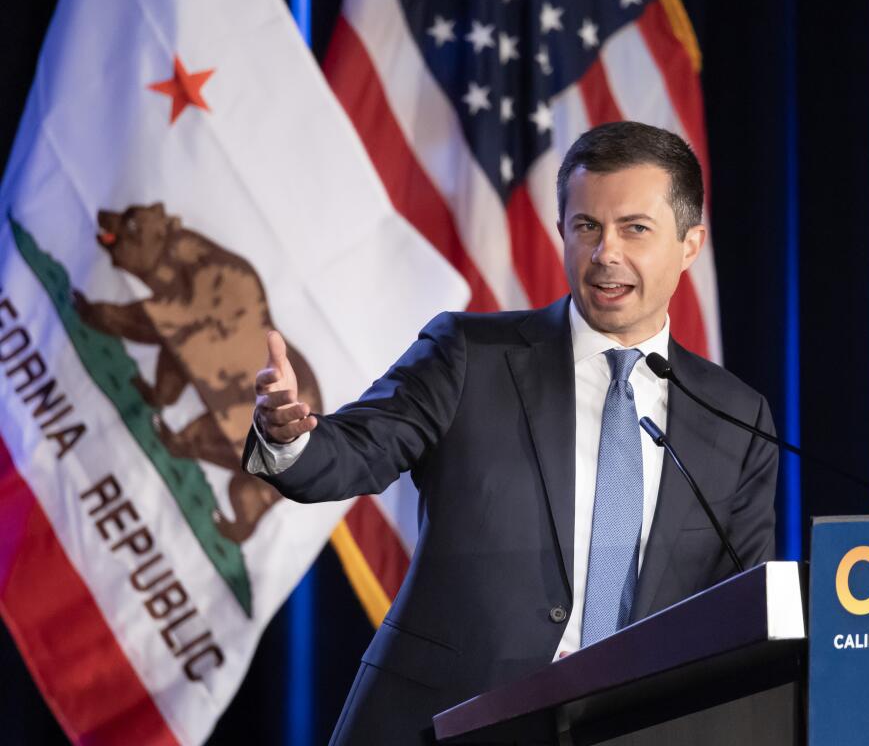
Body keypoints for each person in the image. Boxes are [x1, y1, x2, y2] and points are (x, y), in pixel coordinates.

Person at [243, 121, 778, 744]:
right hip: (447, 723)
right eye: (586, 227)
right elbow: (354, 452)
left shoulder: (735, 418)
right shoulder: (469, 354)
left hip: (632, 729)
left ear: (690, 244)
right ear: (561, 234)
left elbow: (744, 608)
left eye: (635, 229)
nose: (606, 253)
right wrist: (289, 435)